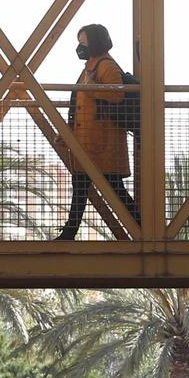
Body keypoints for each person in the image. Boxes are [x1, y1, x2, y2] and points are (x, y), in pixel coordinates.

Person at [54, 23, 142, 239]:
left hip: (103, 142)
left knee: (112, 188)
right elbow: (78, 105)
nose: (79, 47)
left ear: (95, 42)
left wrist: (92, 88)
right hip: (88, 142)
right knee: (84, 187)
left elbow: (117, 95)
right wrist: (69, 134)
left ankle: (143, 228)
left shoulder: (107, 67)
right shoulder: (91, 66)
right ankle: (69, 233)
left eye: (83, 43)